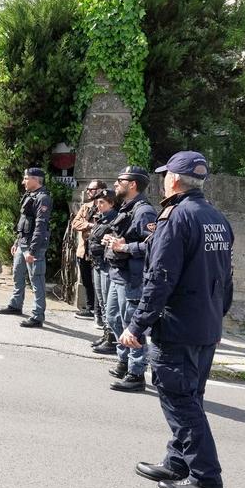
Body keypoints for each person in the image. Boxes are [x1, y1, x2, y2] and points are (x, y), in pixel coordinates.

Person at [120, 152, 233, 488]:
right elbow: (227, 278)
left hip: (178, 327)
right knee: (190, 396)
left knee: (180, 400)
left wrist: (137, 324)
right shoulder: (216, 217)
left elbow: (160, 278)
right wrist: (217, 317)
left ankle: (206, 479)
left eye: (164, 176)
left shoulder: (175, 217)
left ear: (172, 180)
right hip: (205, 325)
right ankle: (177, 462)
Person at [99, 166, 157, 390]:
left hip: (132, 278)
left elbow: (153, 246)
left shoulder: (144, 212)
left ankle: (136, 373)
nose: (115, 183)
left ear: (132, 184)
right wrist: (111, 240)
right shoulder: (128, 208)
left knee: (131, 325)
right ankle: (124, 361)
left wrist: (124, 247)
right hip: (118, 274)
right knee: (113, 318)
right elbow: (125, 237)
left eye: (120, 180)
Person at [0, 167, 52, 328]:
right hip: (23, 244)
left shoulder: (43, 198)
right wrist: (17, 242)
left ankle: (37, 316)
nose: (23, 182)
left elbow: (40, 227)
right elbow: (23, 222)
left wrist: (32, 251)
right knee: (17, 275)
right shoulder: (30, 195)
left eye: (26, 178)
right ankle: (16, 305)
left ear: (36, 179)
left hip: (33, 247)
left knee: (37, 281)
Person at [70, 181, 109, 321]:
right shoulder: (86, 207)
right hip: (84, 250)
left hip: (98, 251)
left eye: (91, 189)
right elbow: (75, 223)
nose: (88, 191)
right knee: (86, 280)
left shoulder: (107, 206)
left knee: (98, 282)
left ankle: (100, 312)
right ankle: (90, 307)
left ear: (101, 190)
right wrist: (90, 225)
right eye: (88, 189)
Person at [87, 189, 120, 348]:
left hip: (106, 264)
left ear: (111, 204)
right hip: (97, 263)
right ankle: (106, 334)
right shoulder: (101, 218)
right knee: (101, 300)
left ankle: (111, 337)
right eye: (97, 202)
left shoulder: (114, 219)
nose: (98, 205)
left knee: (108, 303)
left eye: (102, 202)